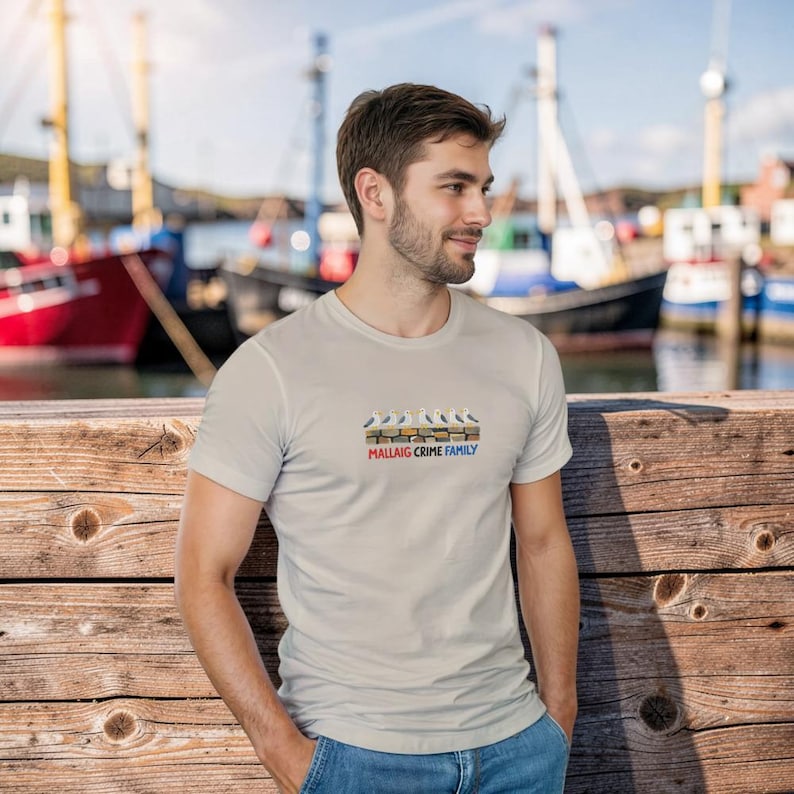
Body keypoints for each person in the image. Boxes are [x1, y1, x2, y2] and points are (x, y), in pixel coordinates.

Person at [175, 82, 579, 794]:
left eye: (482, 186)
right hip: (353, 757)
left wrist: (558, 717)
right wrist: (286, 754)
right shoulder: (271, 369)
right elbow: (203, 573)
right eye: (454, 186)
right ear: (376, 192)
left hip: (517, 751)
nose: (481, 212)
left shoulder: (524, 355)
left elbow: (543, 542)